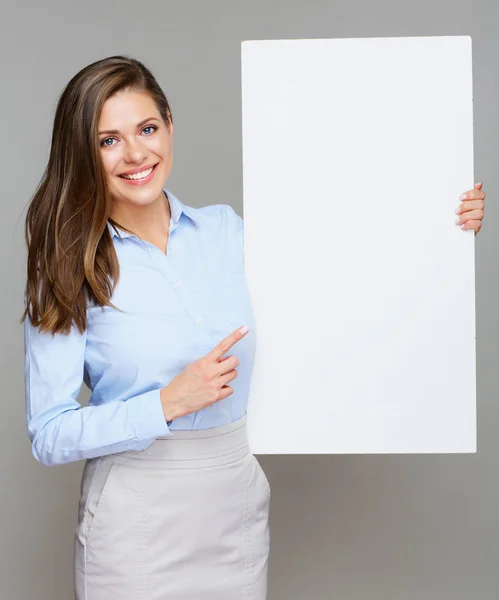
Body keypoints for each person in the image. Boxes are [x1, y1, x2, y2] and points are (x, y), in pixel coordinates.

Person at [21, 55, 486, 600]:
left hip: (234, 504)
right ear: (84, 153)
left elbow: (346, 273)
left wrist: (444, 226)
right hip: (133, 523)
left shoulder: (228, 231)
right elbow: (48, 433)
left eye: (147, 129)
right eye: (108, 141)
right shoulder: (67, 266)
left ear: (170, 125)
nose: (135, 154)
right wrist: (166, 403)